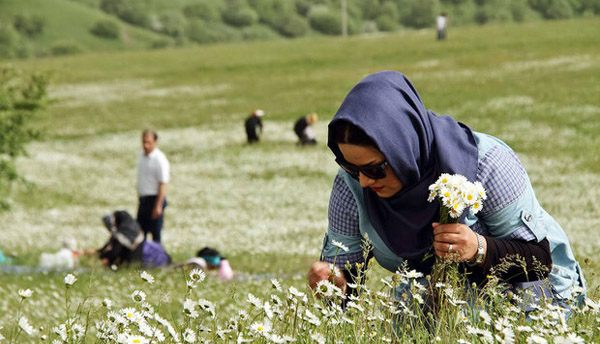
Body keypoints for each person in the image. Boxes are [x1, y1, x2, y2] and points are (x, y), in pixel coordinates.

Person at [308, 71, 586, 307]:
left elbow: (539, 260)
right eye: (350, 166)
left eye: (375, 168)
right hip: (433, 302)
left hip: (530, 299)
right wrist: (336, 282)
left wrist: (478, 248)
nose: (365, 181)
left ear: (402, 149)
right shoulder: (352, 183)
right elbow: (346, 275)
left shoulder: (486, 162)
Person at [84, 210, 171, 268]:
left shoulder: (124, 233)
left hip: (146, 255)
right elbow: (111, 246)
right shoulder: (126, 228)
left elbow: (115, 250)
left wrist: (104, 258)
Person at [137, 130, 170, 242]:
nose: (146, 145)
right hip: (144, 199)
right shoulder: (142, 155)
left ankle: (158, 256)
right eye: (144, 142)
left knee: (155, 232)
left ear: (155, 142)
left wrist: (158, 205)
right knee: (141, 231)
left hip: (154, 199)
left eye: (149, 142)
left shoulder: (159, 159)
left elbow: (163, 183)